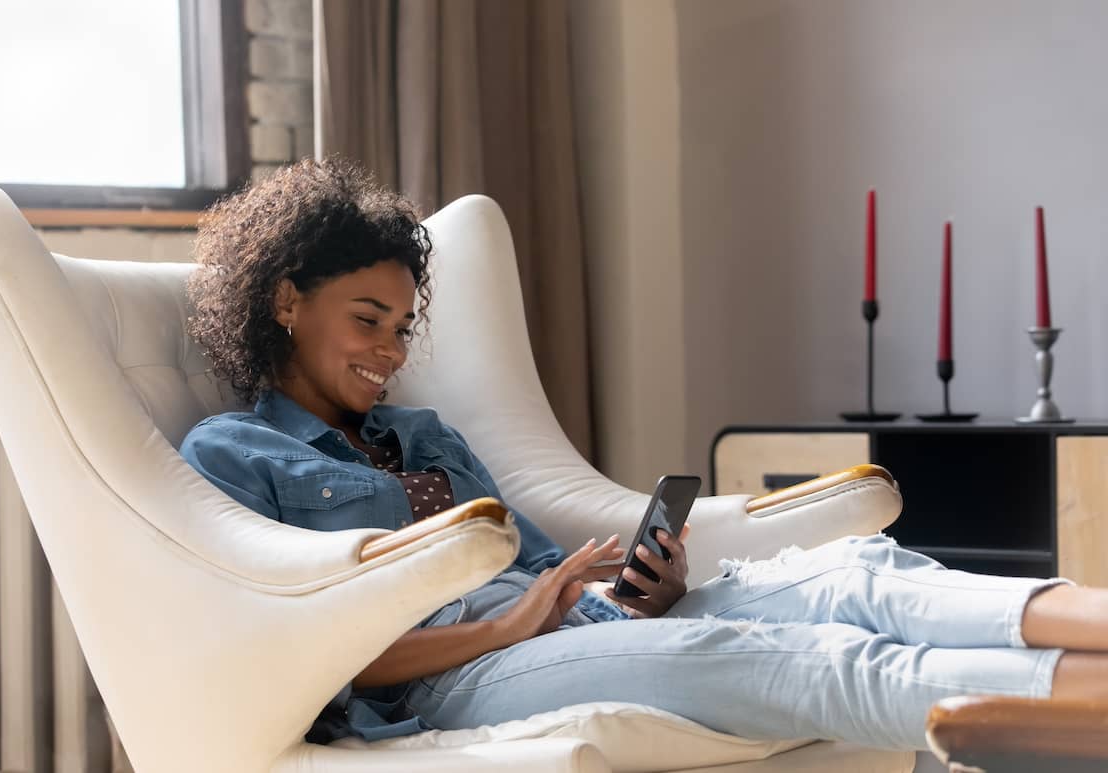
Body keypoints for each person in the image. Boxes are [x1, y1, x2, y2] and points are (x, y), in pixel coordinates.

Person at [180, 157, 1108, 751]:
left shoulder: (422, 436)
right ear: (287, 301)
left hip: (576, 622)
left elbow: (549, 569)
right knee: (815, 656)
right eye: (366, 322)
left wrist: (636, 586)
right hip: (456, 675)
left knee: (863, 572)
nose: (388, 352)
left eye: (400, 327)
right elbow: (315, 655)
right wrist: (507, 628)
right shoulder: (233, 454)